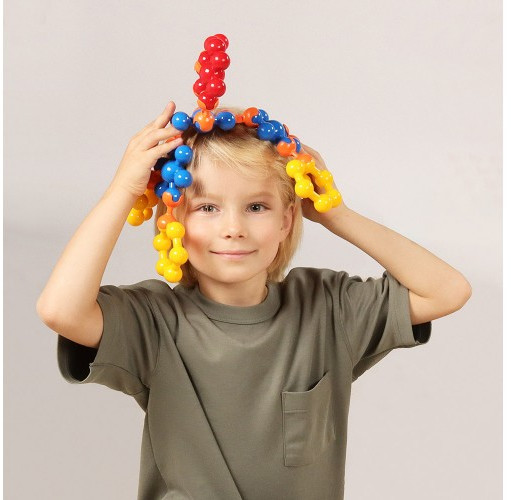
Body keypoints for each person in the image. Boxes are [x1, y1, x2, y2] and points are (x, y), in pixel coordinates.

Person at [36, 101, 472, 500]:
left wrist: (335, 213)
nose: (233, 228)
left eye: (257, 207)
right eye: (207, 208)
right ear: (174, 220)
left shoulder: (328, 307)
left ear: (287, 220)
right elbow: (60, 310)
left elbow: (447, 290)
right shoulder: (152, 321)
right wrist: (122, 191)